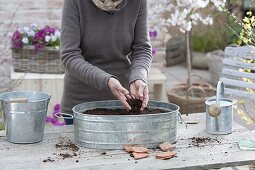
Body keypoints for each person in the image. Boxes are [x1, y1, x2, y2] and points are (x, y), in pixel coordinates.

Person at [60, 0, 152, 125]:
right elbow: (69, 56)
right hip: (80, 106)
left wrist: (139, 77)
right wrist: (106, 80)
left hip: (123, 104)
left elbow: (142, 49)